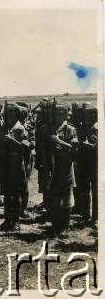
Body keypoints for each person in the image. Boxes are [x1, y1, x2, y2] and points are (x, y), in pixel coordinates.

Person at [47, 100, 78, 236]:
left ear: (65, 114)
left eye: (60, 113)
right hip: (54, 167)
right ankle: (55, 225)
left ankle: (65, 226)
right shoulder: (50, 128)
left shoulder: (70, 129)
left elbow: (74, 148)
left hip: (66, 167)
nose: (57, 116)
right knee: (54, 197)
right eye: (55, 113)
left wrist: (59, 141)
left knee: (66, 197)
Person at [0, 103, 31, 231]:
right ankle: (8, 219)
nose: (9, 116)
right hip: (6, 162)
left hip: (17, 163)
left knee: (16, 194)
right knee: (7, 194)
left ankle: (16, 221)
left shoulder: (20, 128)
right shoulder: (5, 127)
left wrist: (11, 140)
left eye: (12, 113)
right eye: (7, 113)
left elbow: (26, 147)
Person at [77, 105, 98, 227]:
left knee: (95, 192)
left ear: (94, 115)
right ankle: (85, 216)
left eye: (86, 114)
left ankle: (95, 218)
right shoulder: (81, 127)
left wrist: (89, 146)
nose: (84, 116)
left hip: (94, 163)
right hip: (83, 162)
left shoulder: (98, 127)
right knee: (84, 190)